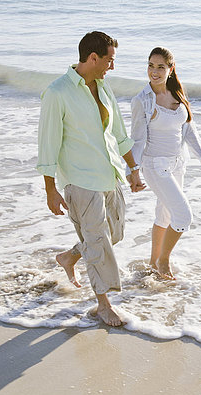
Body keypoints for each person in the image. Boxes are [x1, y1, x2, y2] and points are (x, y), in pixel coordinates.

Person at [37, 31, 145, 327]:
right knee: (98, 242)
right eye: (110, 60)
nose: (113, 66)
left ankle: (70, 256)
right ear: (93, 57)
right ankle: (103, 305)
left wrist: (133, 170)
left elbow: (119, 135)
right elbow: (47, 145)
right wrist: (51, 190)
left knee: (115, 234)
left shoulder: (104, 88)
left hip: (109, 175)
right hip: (80, 180)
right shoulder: (57, 93)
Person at [129, 47, 201, 280]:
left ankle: (153, 263)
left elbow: (189, 130)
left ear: (170, 68)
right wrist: (133, 171)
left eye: (160, 67)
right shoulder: (142, 101)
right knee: (183, 216)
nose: (154, 72)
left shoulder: (177, 95)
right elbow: (137, 140)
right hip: (155, 166)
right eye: (150, 65)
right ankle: (164, 260)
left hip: (178, 163)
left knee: (165, 216)